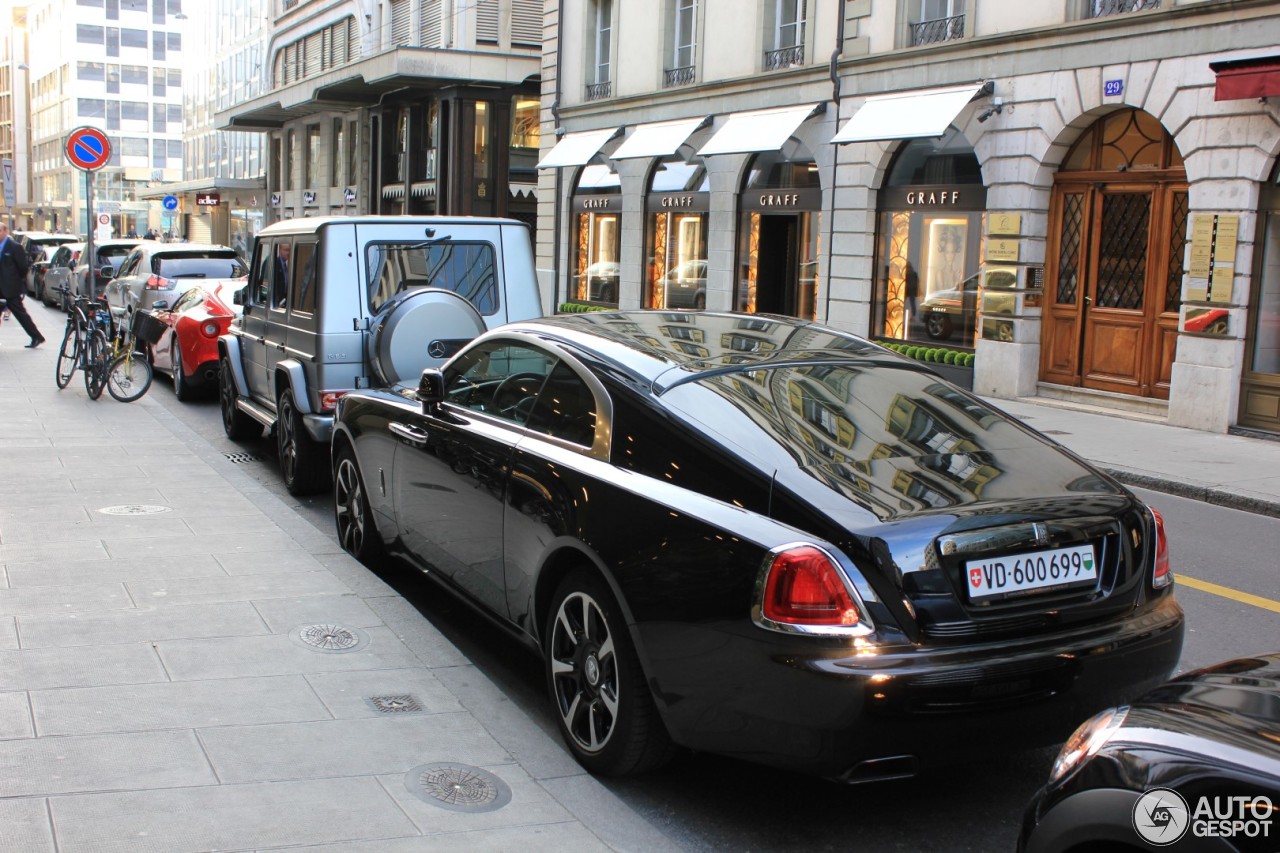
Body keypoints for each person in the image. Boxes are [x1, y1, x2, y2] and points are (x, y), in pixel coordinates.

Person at [0, 223, 44, 348]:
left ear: (5, 232)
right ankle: (36, 336)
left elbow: (23, 267)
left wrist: (17, 281)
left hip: (10, 288)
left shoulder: (14, 247)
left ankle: (37, 336)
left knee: (21, 314)